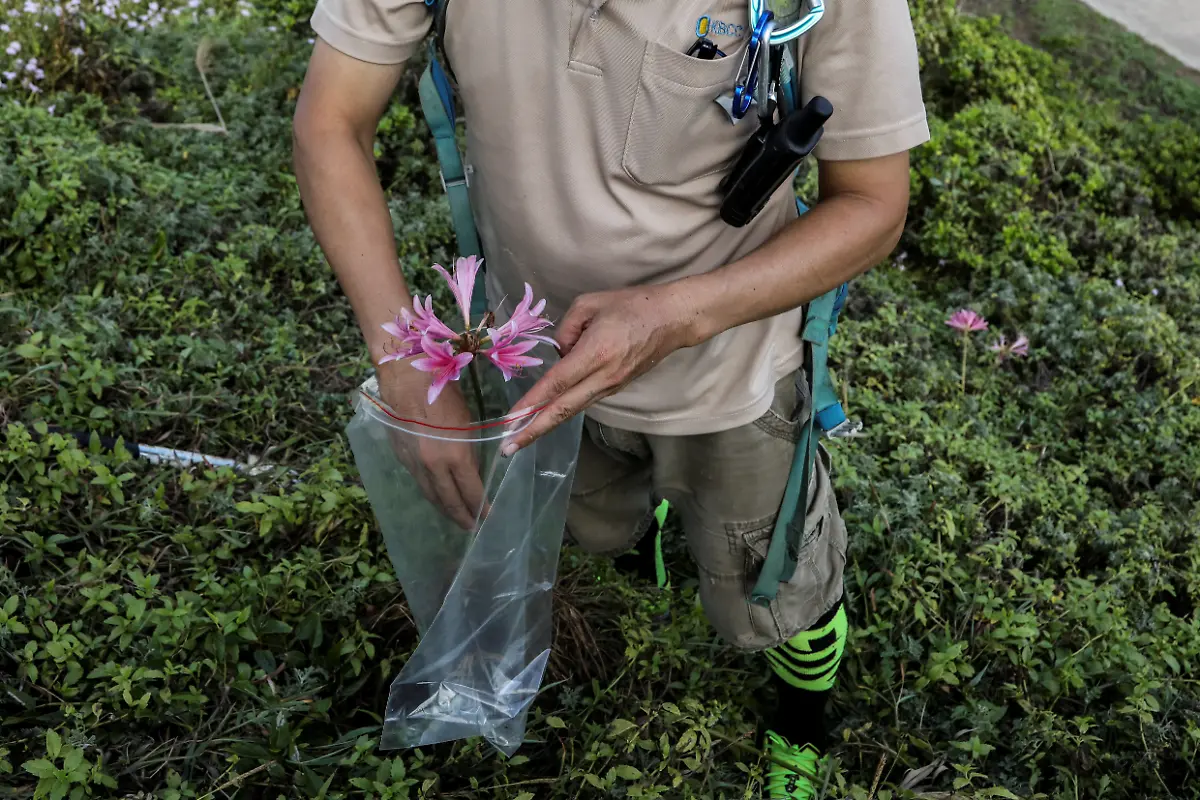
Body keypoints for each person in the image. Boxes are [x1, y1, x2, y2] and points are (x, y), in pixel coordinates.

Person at [293, 0, 927, 795]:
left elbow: (873, 205)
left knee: (775, 593)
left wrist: (677, 315)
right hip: (538, 356)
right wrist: (405, 362)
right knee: (594, 529)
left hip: (729, 373)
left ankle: (802, 722)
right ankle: (650, 518)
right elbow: (332, 122)